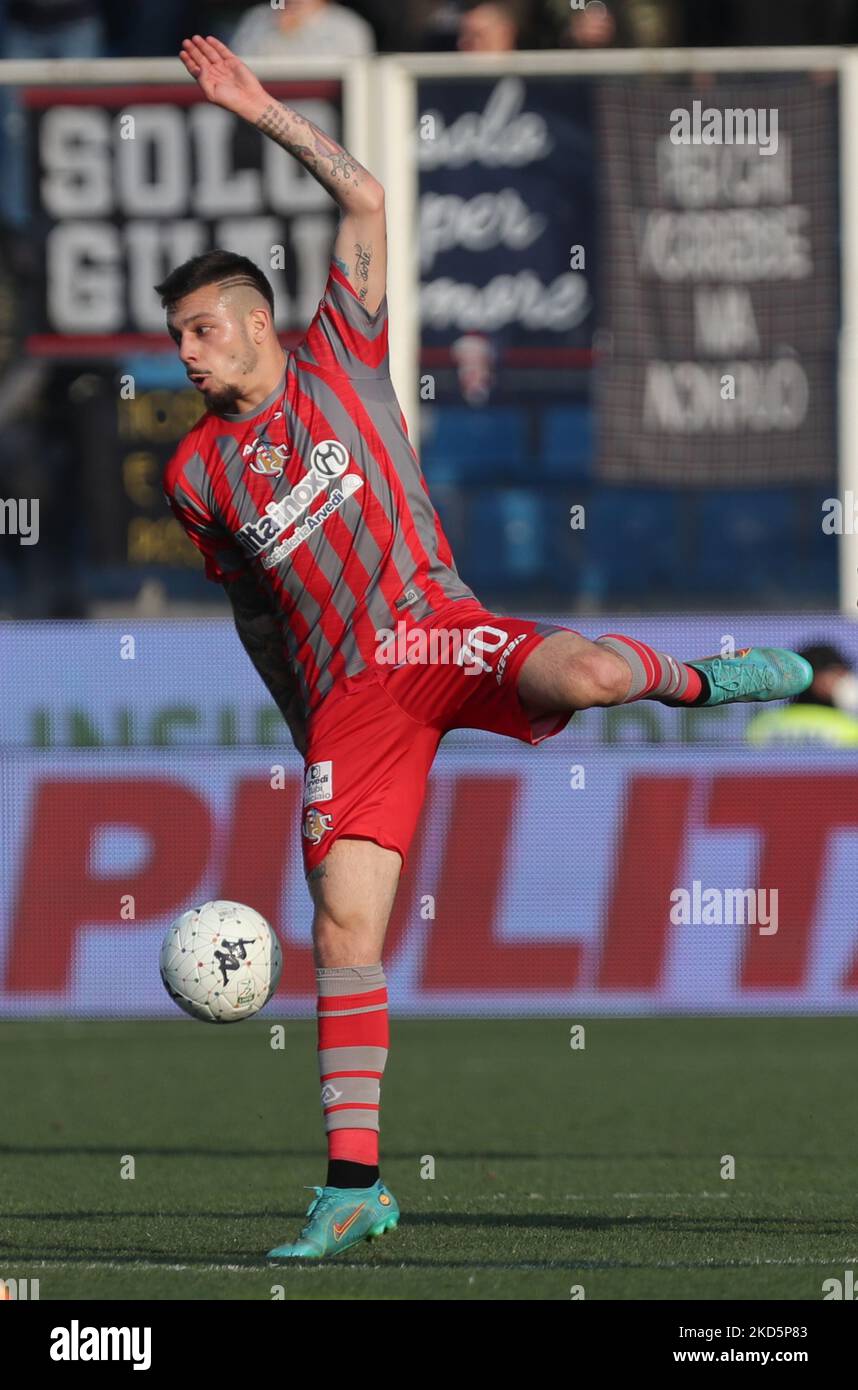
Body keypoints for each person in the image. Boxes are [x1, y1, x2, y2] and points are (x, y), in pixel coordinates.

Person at [162, 34, 813, 1261]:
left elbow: (363, 196)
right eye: (180, 338)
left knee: (599, 674)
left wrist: (260, 108)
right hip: (349, 698)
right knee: (345, 928)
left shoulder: (341, 354)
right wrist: (302, 719)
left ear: (255, 322)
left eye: (200, 330)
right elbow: (253, 610)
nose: (186, 355)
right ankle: (353, 1184)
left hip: (439, 625)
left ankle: (709, 680)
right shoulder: (197, 471)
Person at [746, 643, 858, 746]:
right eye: (838, 674)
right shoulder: (850, 731)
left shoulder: (762, 726)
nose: (845, 678)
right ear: (815, 679)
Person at [230, 0, 374, 58]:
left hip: (319, 120)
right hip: (255, 115)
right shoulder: (257, 18)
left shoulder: (348, 26)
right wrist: (277, 32)